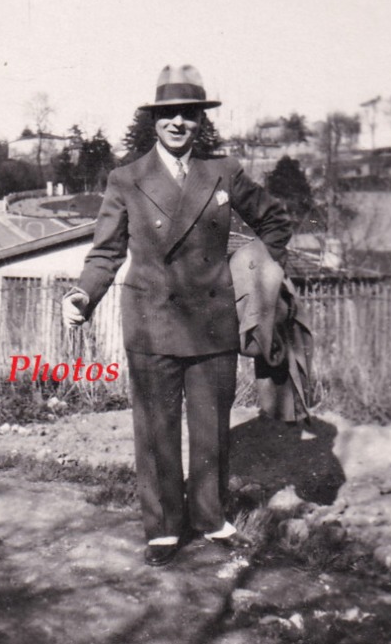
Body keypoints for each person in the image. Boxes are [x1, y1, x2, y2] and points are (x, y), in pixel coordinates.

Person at [62, 65, 292, 567]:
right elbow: (106, 252)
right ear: (154, 120)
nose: (179, 123)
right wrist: (84, 295)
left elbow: (276, 220)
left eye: (189, 114)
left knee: (211, 427)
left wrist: (255, 269)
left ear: (200, 121)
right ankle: (164, 527)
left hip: (212, 321)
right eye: (169, 114)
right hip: (152, 320)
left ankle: (211, 517)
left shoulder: (223, 172)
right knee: (156, 427)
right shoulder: (126, 179)